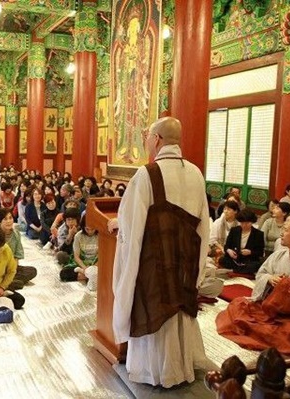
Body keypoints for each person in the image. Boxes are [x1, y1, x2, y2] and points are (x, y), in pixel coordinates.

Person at [111, 117, 210, 388]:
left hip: (155, 260)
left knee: (156, 309)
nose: (147, 142)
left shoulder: (147, 174)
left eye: (147, 137)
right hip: (185, 261)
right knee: (179, 314)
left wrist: (118, 230)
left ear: (156, 140)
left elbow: (131, 227)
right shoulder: (195, 173)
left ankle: (155, 372)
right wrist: (198, 267)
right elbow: (204, 225)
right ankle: (181, 367)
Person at [216, 220, 290, 357]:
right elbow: (261, 274)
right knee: (238, 305)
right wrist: (269, 279)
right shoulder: (278, 255)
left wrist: (288, 287)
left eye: (285, 230)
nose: (281, 233)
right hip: (271, 307)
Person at [0, 208, 37, 289]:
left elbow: (17, 255)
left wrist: (11, 271)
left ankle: (7, 282)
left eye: (10, 218)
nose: (9, 221)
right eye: (5, 219)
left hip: (11, 267)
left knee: (32, 271)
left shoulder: (16, 234)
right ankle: (7, 282)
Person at [219, 210, 264, 274]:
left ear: (252, 222)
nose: (244, 225)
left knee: (255, 265)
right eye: (242, 223)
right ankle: (241, 270)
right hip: (235, 259)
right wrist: (229, 250)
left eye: (247, 223)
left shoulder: (258, 234)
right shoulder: (234, 230)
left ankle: (233, 270)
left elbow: (260, 252)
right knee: (222, 260)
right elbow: (226, 246)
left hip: (249, 260)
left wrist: (250, 252)